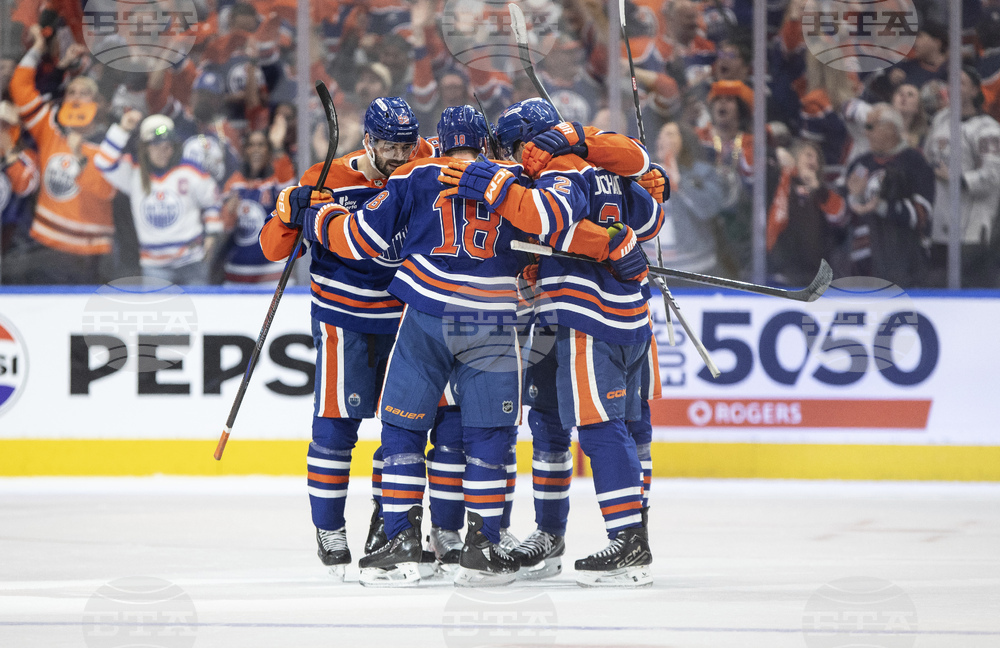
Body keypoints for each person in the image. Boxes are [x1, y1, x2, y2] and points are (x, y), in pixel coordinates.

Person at [288, 105, 526, 588]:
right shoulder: (519, 181)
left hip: (427, 315)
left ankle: (399, 542)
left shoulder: (416, 174)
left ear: (434, 141)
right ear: (486, 144)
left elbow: (358, 239)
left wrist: (316, 216)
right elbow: (561, 225)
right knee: (488, 436)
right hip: (494, 319)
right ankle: (484, 546)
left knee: (401, 428)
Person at [443, 99, 663, 587]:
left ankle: (629, 541)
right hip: (622, 312)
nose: (511, 159)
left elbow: (547, 216)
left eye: (511, 149)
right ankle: (571, 535)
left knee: (602, 427)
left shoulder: (561, 168)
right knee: (581, 423)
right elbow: (650, 218)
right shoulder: (607, 166)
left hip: (586, 313)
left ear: (530, 143)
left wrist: (494, 184)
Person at [260, 97, 435, 580]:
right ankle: (329, 529)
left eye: (406, 146)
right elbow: (273, 249)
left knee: (401, 431)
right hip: (343, 322)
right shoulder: (328, 178)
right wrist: (288, 212)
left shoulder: (421, 165)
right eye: (389, 147)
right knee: (335, 430)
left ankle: (386, 526)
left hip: (404, 322)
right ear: (368, 141)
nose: (399, 156)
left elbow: (461, 152)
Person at [7, 24, 116, 284]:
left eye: (85, 93)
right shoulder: (50, 129)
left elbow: (105, 191)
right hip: (47, 245)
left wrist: (80, 156)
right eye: (71, 92)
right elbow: (20, 89)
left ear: (99, 104)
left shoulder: (112, 141)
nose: (76, 98)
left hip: (90, 252)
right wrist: (37, 49)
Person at [95, 112, 223, 285]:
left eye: (168, 146)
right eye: (156, 146)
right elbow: (103, 162)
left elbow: (212, 201)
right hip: (155, 266)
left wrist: (212, 234)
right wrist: (122, 129)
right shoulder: (134, 173)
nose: (164, 152)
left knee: (199, 302)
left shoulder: (190, 170)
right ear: (145, 148)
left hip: (191, 262)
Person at [923, 67, 1000, 288]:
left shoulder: (987, 129)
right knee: (938, 286)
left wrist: (958, 179)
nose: (953, 87)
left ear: (975, 90)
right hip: (940, 226)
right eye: (951, 82)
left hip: (973, 231)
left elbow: (994, 176)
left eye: (961, 82)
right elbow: (929, 156)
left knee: (972, 287)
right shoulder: (941, 119)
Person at [844, 104, 934, 288]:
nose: (866, 132)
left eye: (870, 127)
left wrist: (881, 206)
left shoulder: (914, 162)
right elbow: (841, 218)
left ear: (891, 129)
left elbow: (921, 215)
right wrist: (854, 199)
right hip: (860, 268)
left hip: (904, 267)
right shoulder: (859, 164)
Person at [219, 130, 296, 286]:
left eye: (261, 145)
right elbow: (224, 227)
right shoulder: (233, 183)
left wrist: (278, 146)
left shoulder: (276, 180)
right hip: (237, 273)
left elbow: (289, 187)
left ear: (269, 151)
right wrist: (229, 213)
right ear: (245, 150)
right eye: (251, 145)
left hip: (273, 274)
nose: (256, 150)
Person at [766, 140, 846, 286]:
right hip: (778, 274)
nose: (814, 161)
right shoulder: (776, 182)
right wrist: (776, 153)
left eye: (818, 159)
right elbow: (751, 157)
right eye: (809, 155)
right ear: (794, 156)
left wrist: (818, 189)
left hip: (815, 278)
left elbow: (839, 217)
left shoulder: (825, 193)